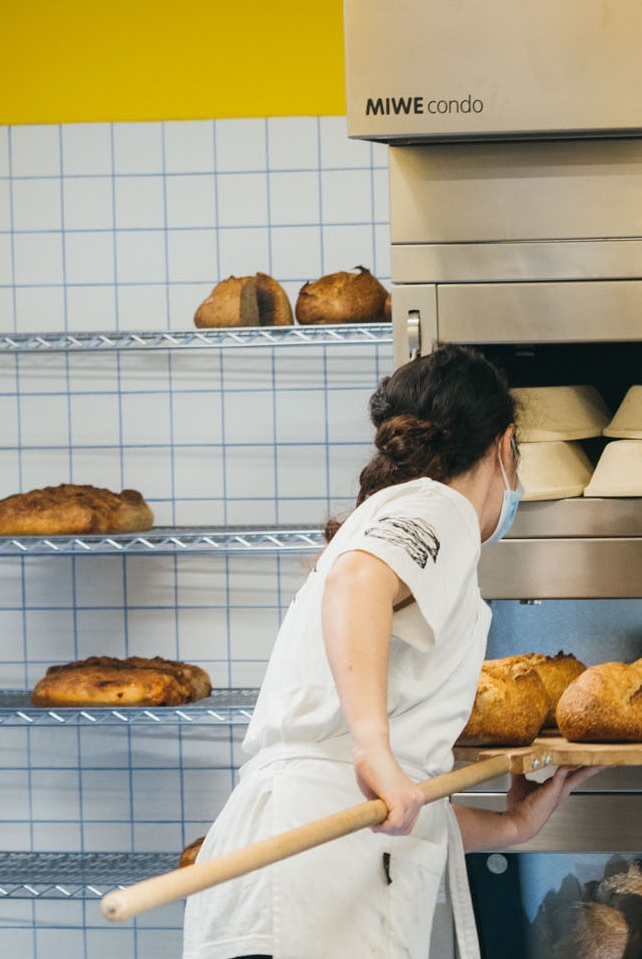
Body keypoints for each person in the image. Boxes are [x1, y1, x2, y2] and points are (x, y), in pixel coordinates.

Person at [183, 345, 598, 959]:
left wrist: (511, 827)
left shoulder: (400, 512)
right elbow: (358, 582)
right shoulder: (440, 507)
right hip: (312, 887)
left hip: (296, 866)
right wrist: (373, 750)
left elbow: (386, 809)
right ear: (505, 446)